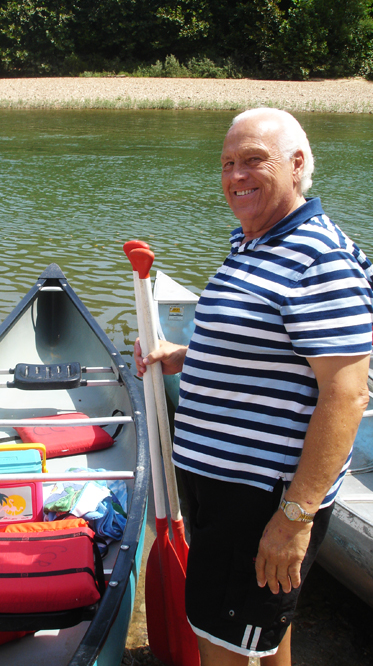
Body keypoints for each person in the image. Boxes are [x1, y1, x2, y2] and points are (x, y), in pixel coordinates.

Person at [135, 108, 373, 666]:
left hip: (261, 499)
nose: (236, 176)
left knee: (220, 646)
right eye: (227, 164)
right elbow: (267, 344)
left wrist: (293, 518)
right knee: (261, 638)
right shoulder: (256, 241)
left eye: (253, 161)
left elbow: (347, 394)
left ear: (296, 166)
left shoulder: (319, 259)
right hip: (227, 491)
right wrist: (186, 356)